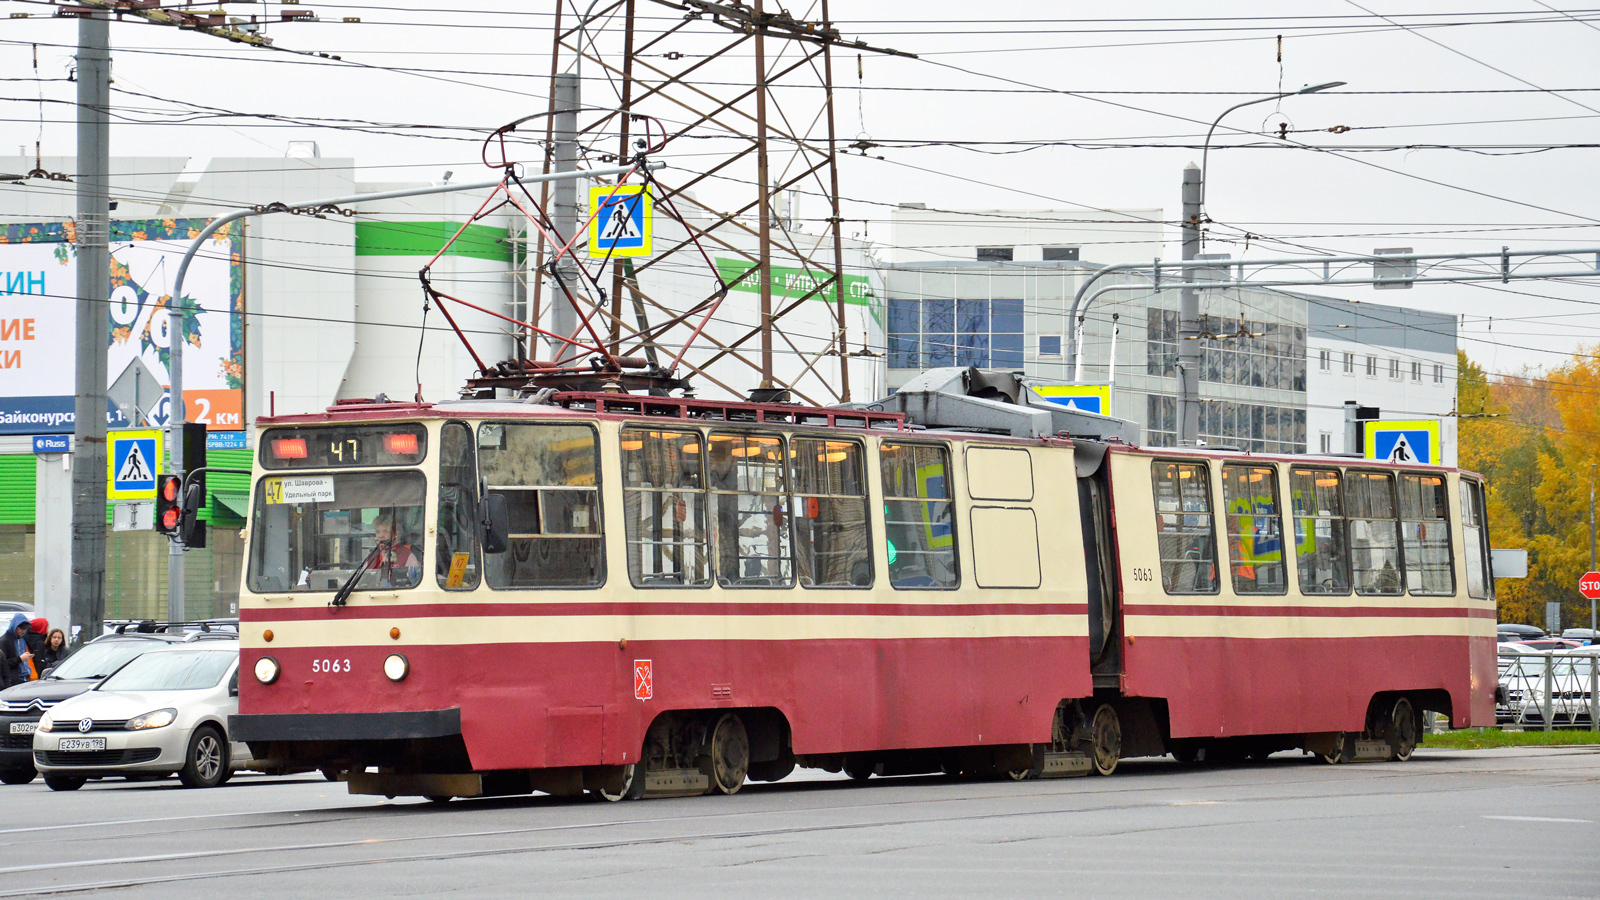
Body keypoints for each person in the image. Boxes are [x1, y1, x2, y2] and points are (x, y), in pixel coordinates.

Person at [369, 513, 421, 588]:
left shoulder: (406, 554)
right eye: (378, 532)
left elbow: (415, 581)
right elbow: (364, 579)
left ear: (396, 534)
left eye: (385, 532)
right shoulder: (372, 555)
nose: (380, 536)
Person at [0, 613, 28, 688]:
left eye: (25, 629)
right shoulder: (4, 641)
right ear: (15, 626)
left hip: (24, 678)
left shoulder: (22, 639)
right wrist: (20, 659)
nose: (23, 631)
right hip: (13, 681)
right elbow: (4, 665)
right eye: (21, 628)